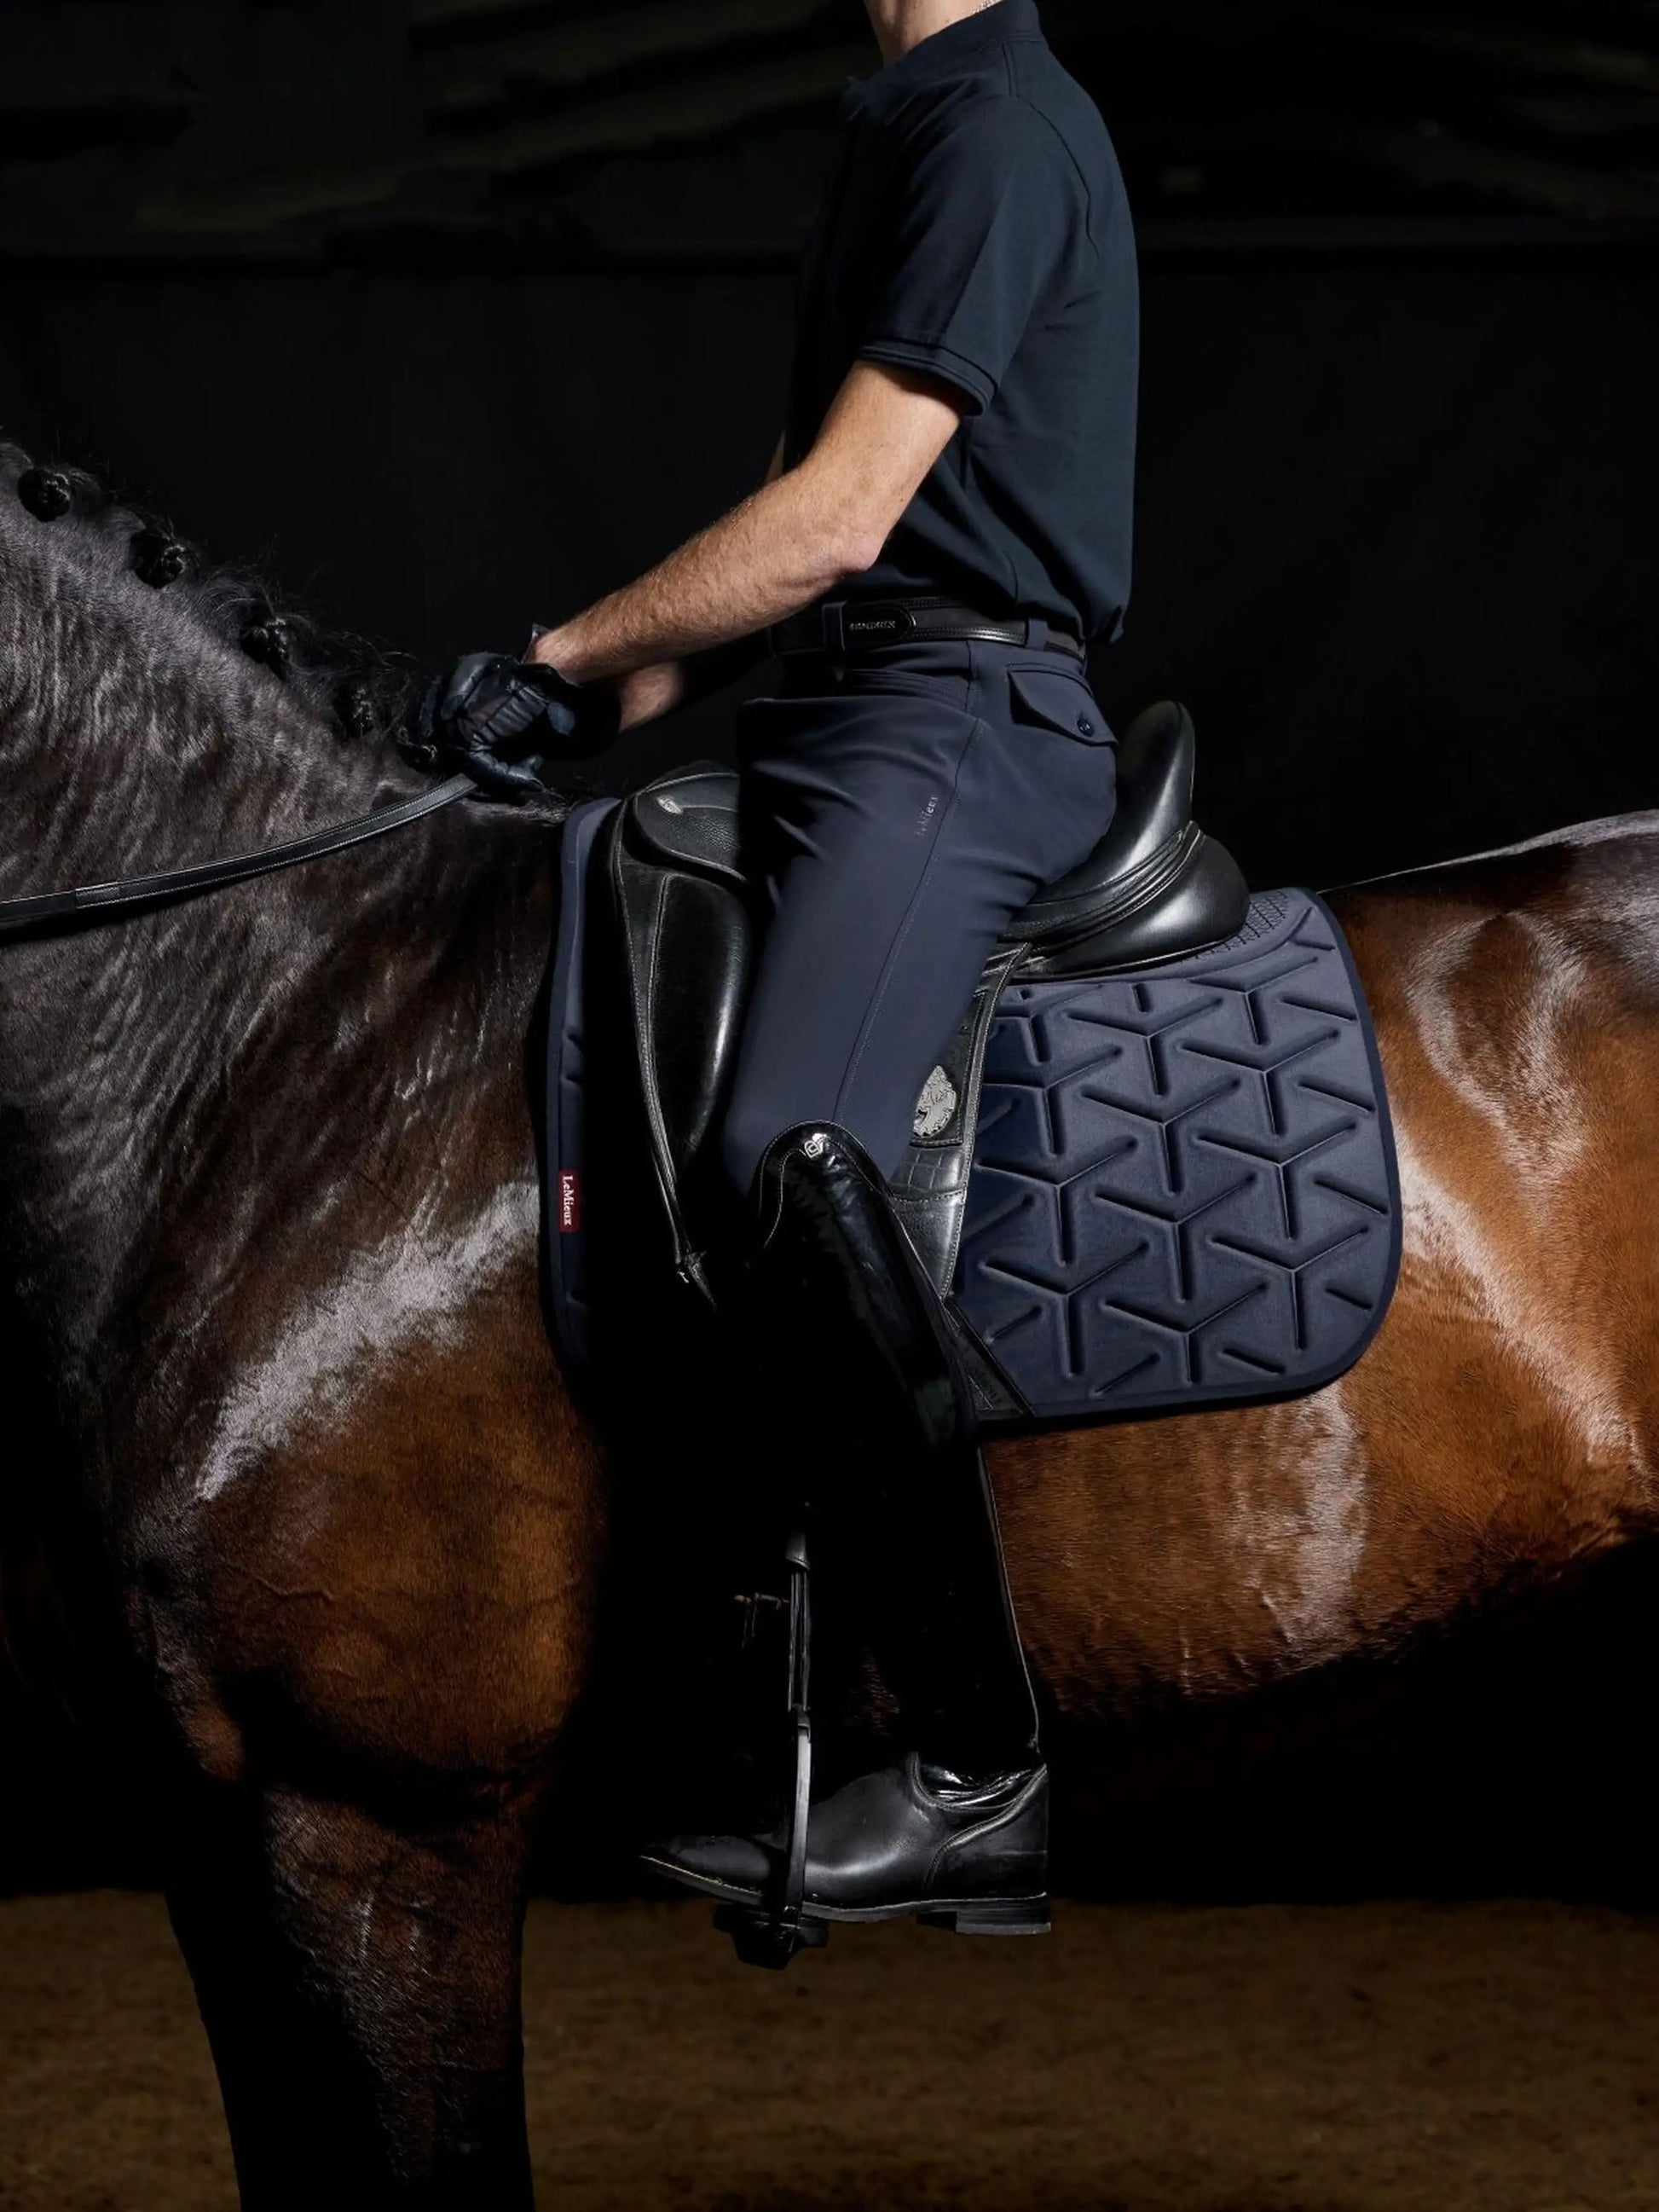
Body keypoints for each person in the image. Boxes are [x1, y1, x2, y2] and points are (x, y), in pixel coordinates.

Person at [433, 0, 1139, 1940]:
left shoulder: (993, 124)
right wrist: (588, 696)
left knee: (784, 1151)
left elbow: (840, 523)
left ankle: (982, 1770)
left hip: (958, 726)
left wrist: (564, 648)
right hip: (842, 712)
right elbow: (786, 520)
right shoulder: (904, 120)